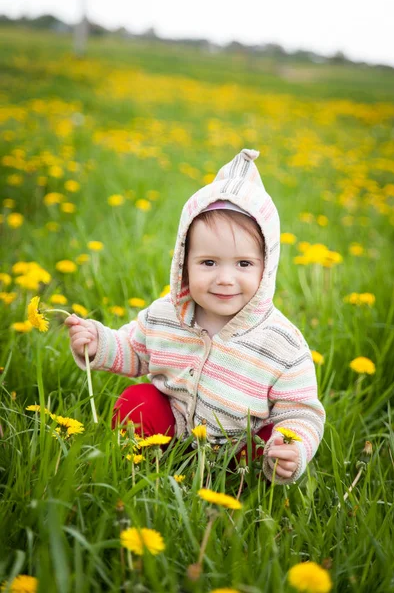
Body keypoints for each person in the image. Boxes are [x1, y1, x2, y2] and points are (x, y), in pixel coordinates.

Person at [65, 149, 325, 484]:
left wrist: (293, 447)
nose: (225, 279)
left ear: (267, 267)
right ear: (183, 263)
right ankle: (144, 468)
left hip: (238, 454)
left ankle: (250, 481)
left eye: (243, 264)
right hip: (171, 435)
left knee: (272, 441)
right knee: (137, 400)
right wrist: (97, 342)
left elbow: (301, 411)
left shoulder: (282, 344)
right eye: (209, 262)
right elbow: (133, 349)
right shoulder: (166, 315)